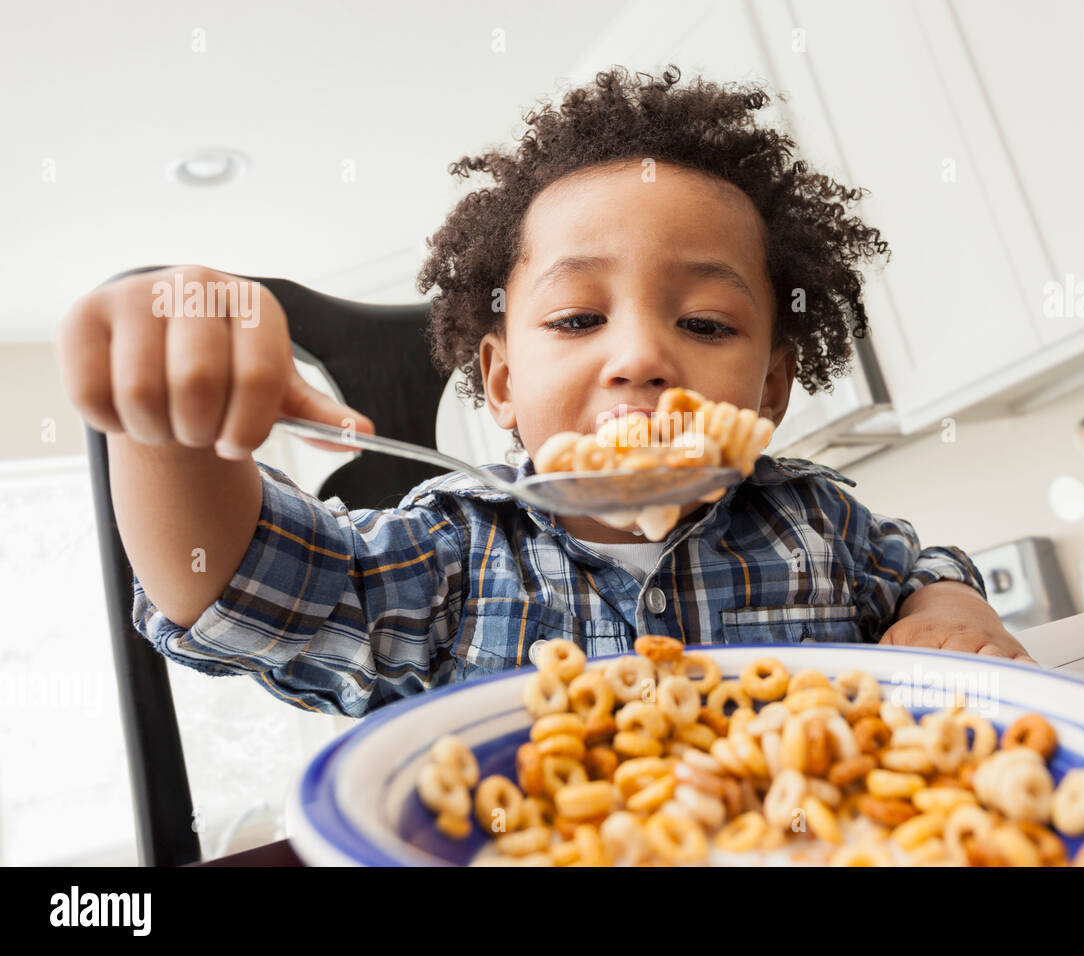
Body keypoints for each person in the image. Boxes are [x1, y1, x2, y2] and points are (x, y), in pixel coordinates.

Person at [56, 66, 1033, 719]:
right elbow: (232, 590)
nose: (642, 356)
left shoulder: (815, 523)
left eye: (704, 323)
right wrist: (167, 437)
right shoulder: (453, 553)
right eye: (575, 320)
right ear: (503, 381)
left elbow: (917, 566)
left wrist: (948, 601)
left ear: (771, 385)